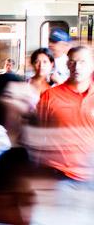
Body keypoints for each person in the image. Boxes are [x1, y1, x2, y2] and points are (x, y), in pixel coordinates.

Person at [35, 45, 94, 182]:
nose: (77, 67)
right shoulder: (50, 96)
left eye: (82, 62)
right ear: (68, 64)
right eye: (73, 62)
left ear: (92, 66)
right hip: (58, 174)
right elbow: (38, 135)